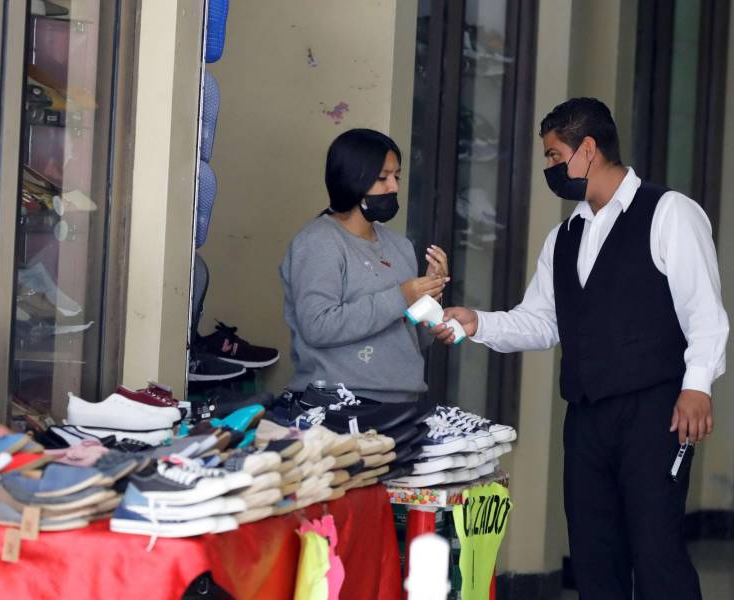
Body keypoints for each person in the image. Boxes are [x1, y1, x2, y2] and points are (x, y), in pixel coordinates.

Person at [433, 97, 728, 600]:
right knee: (594, 555)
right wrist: (477, 322)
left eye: (553, 156)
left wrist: (697, 386)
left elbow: (705, 313)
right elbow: (541, 322)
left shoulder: (670, 213)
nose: (549, 168)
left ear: (587, 149)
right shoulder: (564, 236)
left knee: (657, 555)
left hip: (655, 412)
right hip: (587, 418)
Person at [280, 128, 449, 403]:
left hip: (403, 403)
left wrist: (429, 295)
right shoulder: (318, 242)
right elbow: (317, 325)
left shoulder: (400, 246)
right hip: (341, 404)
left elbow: (413, 336)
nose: (393, 187)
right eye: (382, 178)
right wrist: (403, 295)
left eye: (397, 176)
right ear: (351, 178)